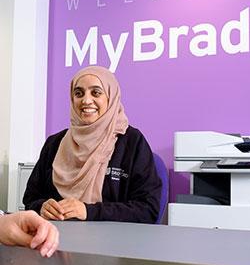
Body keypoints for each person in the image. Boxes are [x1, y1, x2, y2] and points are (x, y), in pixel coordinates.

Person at [23, 66, 161, 222]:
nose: (86, 100)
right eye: (78, 93)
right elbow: (30, 199)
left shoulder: (132, 142)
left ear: (111, 97)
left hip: (112, 242)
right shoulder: (54, 144)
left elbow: (148, 209)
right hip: (53, 238)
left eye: (96, 92)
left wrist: (89, 211)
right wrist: (41, 207)